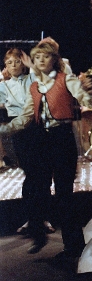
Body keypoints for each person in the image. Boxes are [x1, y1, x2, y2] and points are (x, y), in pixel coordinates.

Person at [0, 41, 92, 259]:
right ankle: (39, 232)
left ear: (54, 60)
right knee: (38, 188)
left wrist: (90, 92)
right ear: (33, 62)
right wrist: (4, 129)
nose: (41, 60)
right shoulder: (34, 87)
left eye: (46, 56)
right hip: (42, 141)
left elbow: (88, 101)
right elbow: (25, 117)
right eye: (37, 57)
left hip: (62, 139)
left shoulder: (65, 79)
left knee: (64, 193)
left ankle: (73, 246)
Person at [0, 49, 54, 236]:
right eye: (9, 63)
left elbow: (46, 78)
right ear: (5, 66)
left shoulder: (32, 78)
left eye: (17, 61)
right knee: (30, 173)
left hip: (37, 126)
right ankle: (32, 219)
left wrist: (32, 65)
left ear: (22, 63)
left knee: (43, 174)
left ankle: (43, 218)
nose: (14, 65)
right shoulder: (3, 86)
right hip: (19, 129)